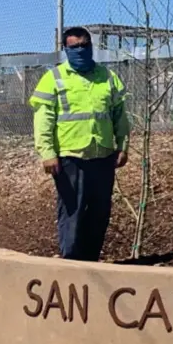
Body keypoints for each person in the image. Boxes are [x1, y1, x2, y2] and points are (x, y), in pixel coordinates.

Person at [29, 26, 130, 262]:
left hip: (102, 157)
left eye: (85, 45)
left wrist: (123, 146)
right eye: (74, 47)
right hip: (70, 158)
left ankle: (91, 263)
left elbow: (119, 116)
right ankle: (71, 264)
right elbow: (43, 121)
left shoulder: (107, 77)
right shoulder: (53, 79)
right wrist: (47, 153)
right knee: (72, 213)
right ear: (65, 49)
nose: (81, 50)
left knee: (99, 213)